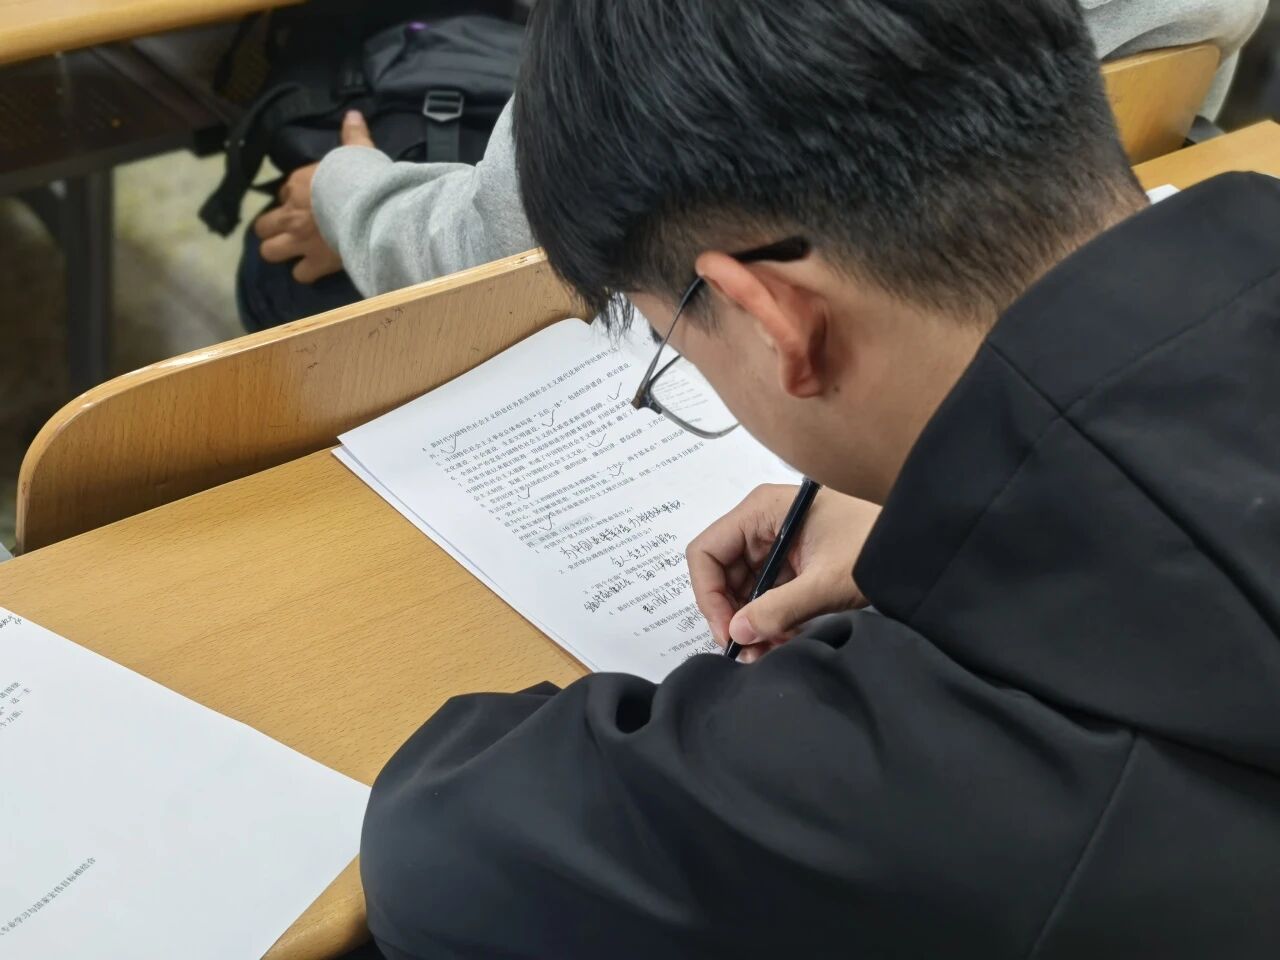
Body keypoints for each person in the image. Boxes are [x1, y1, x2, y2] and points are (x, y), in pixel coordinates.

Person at [357, 0, 1280, 957]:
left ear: (777, 322)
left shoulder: (941, 790)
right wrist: (957, 492)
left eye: (671, 344)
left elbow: (438, 848)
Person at [254, 0, 1264, 303]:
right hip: (1059, 263)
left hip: (703, 319)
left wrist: (346, 193)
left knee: (280, 272)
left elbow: (518, 248)